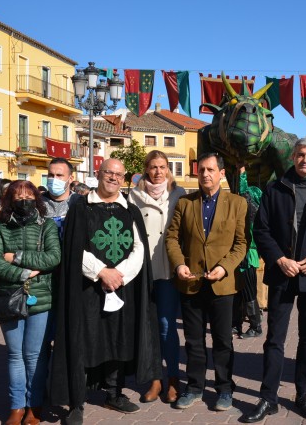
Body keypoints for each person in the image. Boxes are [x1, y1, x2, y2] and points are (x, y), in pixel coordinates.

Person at [241, 138, 306, 423]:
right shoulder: (275, 189)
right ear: (293, 156)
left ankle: (303, 393)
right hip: (282, 274)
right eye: (300, 155)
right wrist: (278, 259)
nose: (305, 160)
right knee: (274, 339)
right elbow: (261, 230)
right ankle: (268, 397)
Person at [50, 158, 160, 425]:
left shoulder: (130, 210)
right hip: (87, 288)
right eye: (108, 172)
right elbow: (74, 249)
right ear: (98, 174)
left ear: (124, 179)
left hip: (122, 287)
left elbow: (139, 249)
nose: (113, 177)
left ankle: (114, 393)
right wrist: (101, 272)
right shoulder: (80, 208)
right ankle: (77, 402)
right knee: (83, 340)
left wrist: (119, 275)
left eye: (118, 174)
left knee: (118, 339)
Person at [166, 152, 248, 411]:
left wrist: (225, 268)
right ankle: (194, 387)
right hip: (191, 282)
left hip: (222, 284)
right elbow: (171, 238)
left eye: (211, 170)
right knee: (193, 340)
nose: (205, 174)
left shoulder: (237, 203)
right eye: (201, 170)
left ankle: (224, 389)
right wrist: (179, 264)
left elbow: (241, 243)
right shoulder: (185, 203)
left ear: (221, 173)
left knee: (223, 340)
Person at [0, 180, 61, 425]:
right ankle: (17, 406)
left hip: (41, 298)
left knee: (35, 355)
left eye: (29, 194)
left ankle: (35, 405)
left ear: (36, 199)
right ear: (9, 200)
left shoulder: (46, 225)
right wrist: (24, 273)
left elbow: (53, 257)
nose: (24, 199)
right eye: (18, 196)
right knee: (15, 356)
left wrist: (15, 257)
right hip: (9, 297)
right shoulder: (1, 228)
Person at [127, 150, 186, 404]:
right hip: (142, 269)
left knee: (166, 326)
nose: (158, 171)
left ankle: (172, 377)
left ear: (168, 169)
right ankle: (154, 379)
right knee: (147, 327)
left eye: (163, 167)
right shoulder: (133, 195)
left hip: (168, 270)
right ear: (146, 169)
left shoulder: (179, 194)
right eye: (153, 167)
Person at [232, 169, 264, 339]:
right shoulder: (253, 205)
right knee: (238, 292)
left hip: (248, 255)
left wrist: (242, 171)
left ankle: (255, 326)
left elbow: (244, 190)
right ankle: (236, 325)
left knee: (248, 292)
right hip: (241, 254)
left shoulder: (252, 203)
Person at [42, 158, 76, 239]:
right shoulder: (37, 203)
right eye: (51, 175)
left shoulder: (80, 202)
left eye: (59, 175)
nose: (54, 179)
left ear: (70, 179)